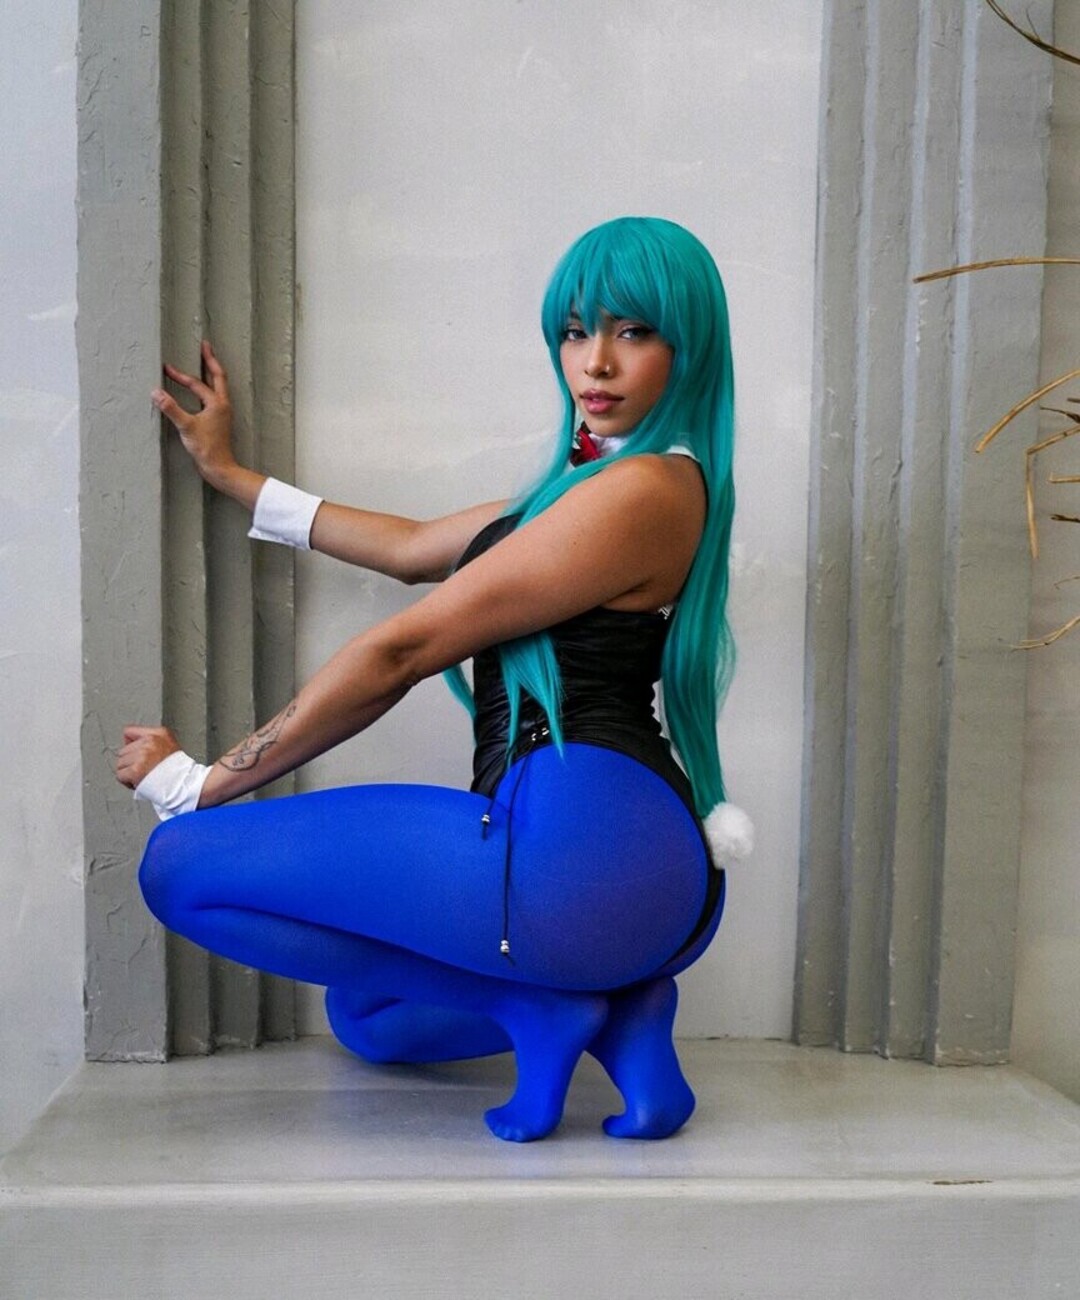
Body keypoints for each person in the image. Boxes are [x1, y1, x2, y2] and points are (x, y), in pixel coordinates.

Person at [116, 216, 752, 1142]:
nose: (597, 363)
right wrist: (231, 475)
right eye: (577, 331)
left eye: (635, 332)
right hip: (638, 872)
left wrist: (199, 783)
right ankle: (619, 1008)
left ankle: (547, 1007)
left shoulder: (641, 491)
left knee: (178, 867)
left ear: (689, 347)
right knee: (370, 1018)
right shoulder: (591, 494)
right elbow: (412, 548)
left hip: (578, 847)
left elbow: (402, 652)